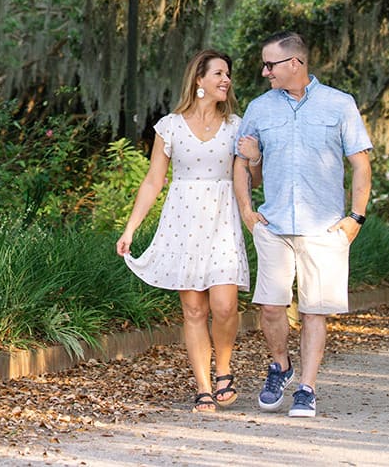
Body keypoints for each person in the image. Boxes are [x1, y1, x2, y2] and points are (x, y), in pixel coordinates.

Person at [232, 30, 372, 419]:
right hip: (274, 224)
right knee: (271, 307)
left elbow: (361, 164)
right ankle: (280, 365)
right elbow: (243, 166)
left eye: (270, 64)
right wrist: (247, 210)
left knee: (314, 311)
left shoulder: (339, 105)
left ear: (295, 63)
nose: (264, 72)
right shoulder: (259, 109)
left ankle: (307, 389)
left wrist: (355, 218)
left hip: (324, 227)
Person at [116, 49, 251, 413]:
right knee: (193, 310)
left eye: (228, 75)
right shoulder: (170, 126)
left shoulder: (237, 125)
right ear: (199, 80)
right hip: (183, 223)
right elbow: (153, 182)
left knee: (224, 306)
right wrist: (130, 229)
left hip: (222, 221)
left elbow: (250, 179)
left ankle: (223, 369)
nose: (226, 80)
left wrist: (255, 157)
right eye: (219, 74)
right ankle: (204, 386)